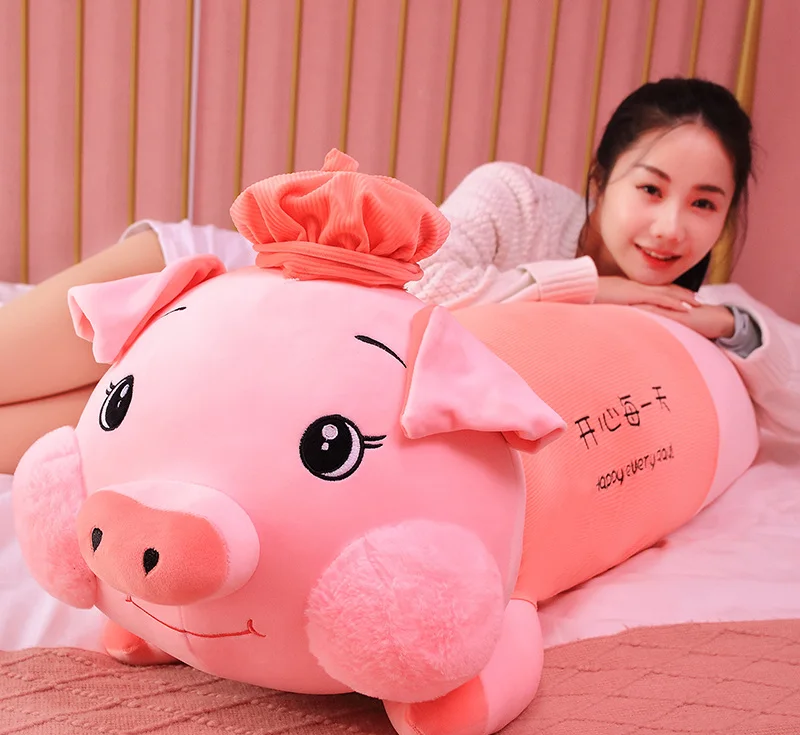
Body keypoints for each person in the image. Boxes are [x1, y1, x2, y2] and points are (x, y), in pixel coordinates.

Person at [0, 77, 797, 474]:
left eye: (705, 203)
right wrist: (589, 283)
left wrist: (729, 325)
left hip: (258, 371)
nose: (671, 227)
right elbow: (423, 287)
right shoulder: (516, 197)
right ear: (602, 179)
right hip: (219, 277)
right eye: (651, 189)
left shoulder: (684, 315)